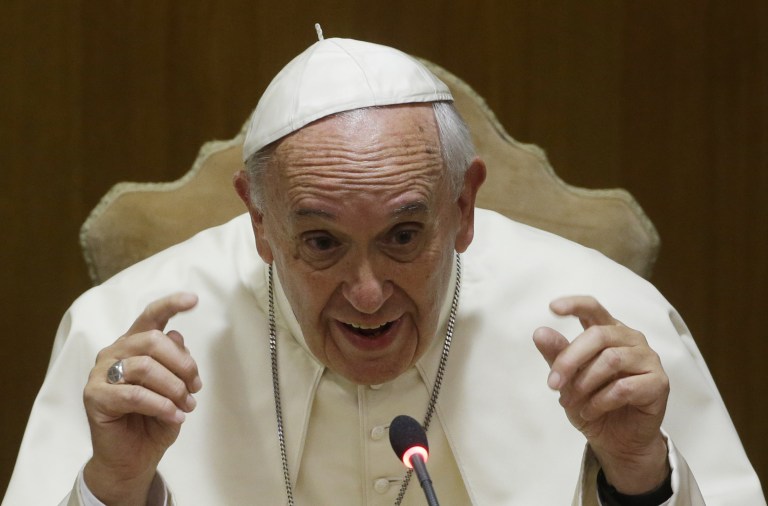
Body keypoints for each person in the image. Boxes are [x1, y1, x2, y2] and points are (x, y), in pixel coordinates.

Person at [4, 35, 765, 506]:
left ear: (463, 207)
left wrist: (637, 473)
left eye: (405, 235)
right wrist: (115, 487)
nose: (367, 294)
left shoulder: (604, 319)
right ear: (259, 220)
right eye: (323, 243)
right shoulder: (124, 330)